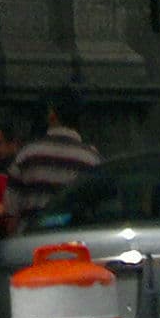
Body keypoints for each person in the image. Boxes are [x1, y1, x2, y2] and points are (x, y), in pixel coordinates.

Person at [8, 97, 101, 227]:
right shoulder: (91, 159)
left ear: (52, 116)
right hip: (74, 237)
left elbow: (11, 209)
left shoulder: (27, 154)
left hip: (31, 237)